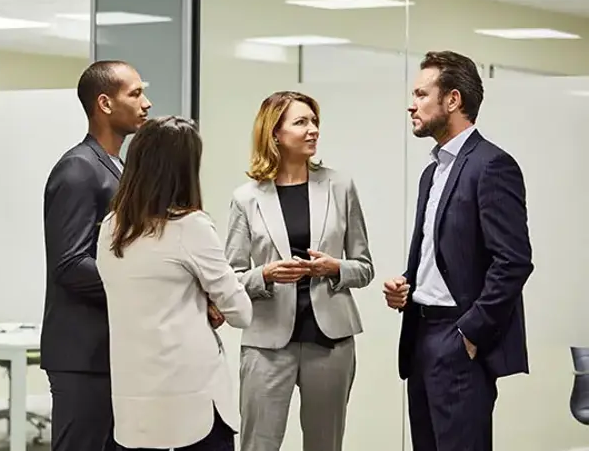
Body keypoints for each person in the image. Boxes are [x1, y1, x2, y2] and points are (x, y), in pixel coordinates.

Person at [383, 50, 534, 451]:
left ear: (452, 100)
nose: (411, 104)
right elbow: (445, 252)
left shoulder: (492, 166)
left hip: (459, 338)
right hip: (421, 334)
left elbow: (514, 261)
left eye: (420, 94)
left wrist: (471, 331)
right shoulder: (433, 171)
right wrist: (408, 285)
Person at [225, 91, 374, 451]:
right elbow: (231, 277)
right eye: (301, 122)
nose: (313, 130)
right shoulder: (246, 198)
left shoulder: (340, 186)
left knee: (325, 445)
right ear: (274, 133)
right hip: (267, 343)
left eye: (314, 122)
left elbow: (364, 267)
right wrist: (267, 274)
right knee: (258, 444)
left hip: (331, 340)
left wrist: (334, 267)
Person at [98, 115, 253, 451]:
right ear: (185, 169)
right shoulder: (190, 227)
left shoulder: (110, 228)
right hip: (192, 399)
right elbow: (241, 312)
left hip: (134, 402)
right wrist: (209, 300)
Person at [39, 60, 151, 451]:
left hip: (112, 350)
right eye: (135, 94)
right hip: (83, 355)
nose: (146, 103)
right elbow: (70, 264)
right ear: (104, 103)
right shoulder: (78, 170)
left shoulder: (117, 168)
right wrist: (142, 286)